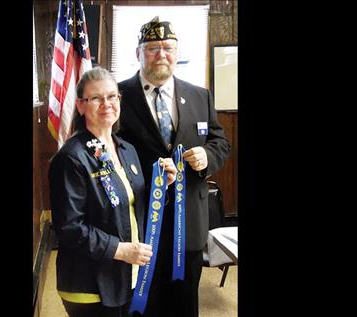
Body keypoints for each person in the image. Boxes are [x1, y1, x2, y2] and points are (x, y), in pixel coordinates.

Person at [117, 17, 231, 317]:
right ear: (138, 53)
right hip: (140, 223)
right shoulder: (116, 97)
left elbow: (221, 142)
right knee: (143, 302)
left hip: (189, 223)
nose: (161, 54)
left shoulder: (199, 95)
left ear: (177, 53)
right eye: (152, 47)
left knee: (184, 303)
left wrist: (207, 157)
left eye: (168, 47)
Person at [48, 67, 177, 317]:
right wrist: (121, 250)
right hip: (89, 283)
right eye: (96, 98)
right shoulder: (71, 158)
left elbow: (131, 202)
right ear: (81, 105)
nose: (106, 104)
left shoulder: (126, 149)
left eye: (112, 97)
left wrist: (163, 186)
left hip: (126, 274)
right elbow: (69, 228)